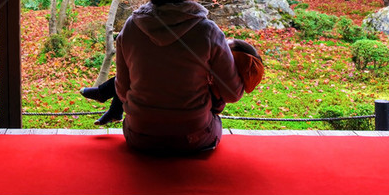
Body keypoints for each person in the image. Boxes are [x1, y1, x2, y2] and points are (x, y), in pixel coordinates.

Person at [83, 0, 250, 154]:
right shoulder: (208, 31)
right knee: (213, 115)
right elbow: (232, 94)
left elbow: (121, 90)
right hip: (193, 138)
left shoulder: (132, 26)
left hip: (139, 136)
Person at [81, 38, 264, 126]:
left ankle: (106, 97)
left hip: (194, 121)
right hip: (183, 113)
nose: (220, 48)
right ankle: (111, 106)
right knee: (143, 73)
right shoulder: (216, 75)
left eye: (226, 48)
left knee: (144, 74)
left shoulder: (217, 83)